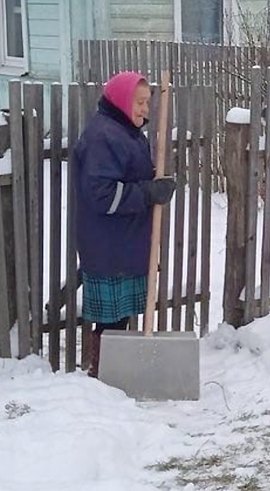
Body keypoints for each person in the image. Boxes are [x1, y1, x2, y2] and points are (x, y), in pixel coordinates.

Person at [73, 71, 177, 378]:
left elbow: (129, 173)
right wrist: (147, 192)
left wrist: (153, 177)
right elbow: (101, 194)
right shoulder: (103, 136)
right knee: (111, 319)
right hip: (109, 243)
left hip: (125, 242)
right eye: (140, 103)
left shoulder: (126, 131)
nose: (146, 110)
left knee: (120, 316)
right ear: (121, 101)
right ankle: (102, 373)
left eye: (148, 102)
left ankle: (116, 372)